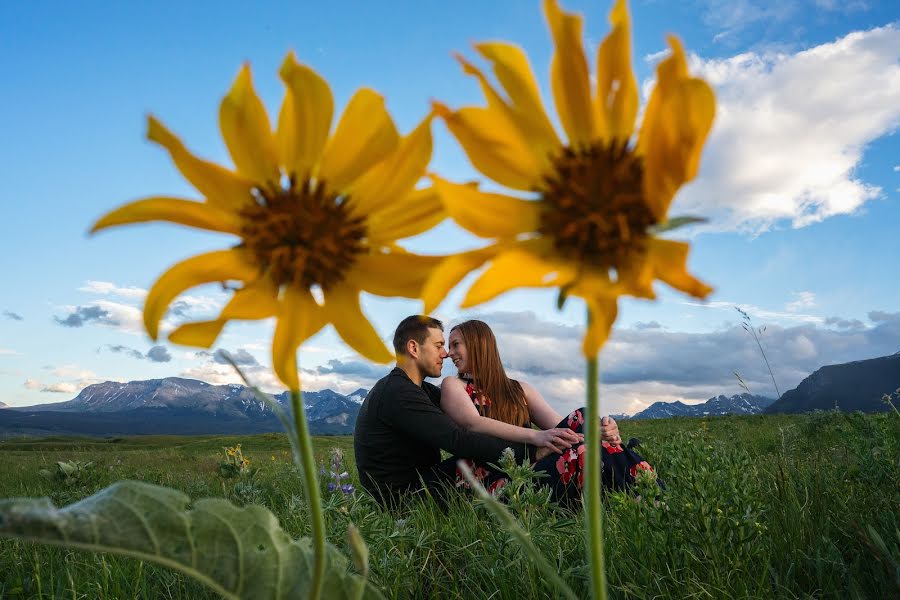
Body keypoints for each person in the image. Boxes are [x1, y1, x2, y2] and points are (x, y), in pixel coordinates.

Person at [353, 315, 620, 506]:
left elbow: (556, 424)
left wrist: (594, 428)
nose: (445, 354)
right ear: (413, 348)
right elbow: (459, 437)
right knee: (469, 460)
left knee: (583, 419)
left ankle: (616, 465)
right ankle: (577, 478)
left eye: (450, 346)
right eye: (439, 345)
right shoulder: (397, 392)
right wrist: (532, 450)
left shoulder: (421, 391)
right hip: (408, 497)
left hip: (428, 482)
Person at [441, 319, 656, 502]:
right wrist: (536, 437)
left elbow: (561, 427)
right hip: (496, 482)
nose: (449, 353)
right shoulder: (453, 385)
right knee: (584, 451)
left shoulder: (518, 389)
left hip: (531, 470)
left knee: (583, 416)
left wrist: (603, 430)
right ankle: (648, 492)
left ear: (478, 344)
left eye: (455, 345)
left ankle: (643, 491)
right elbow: (473, 423)